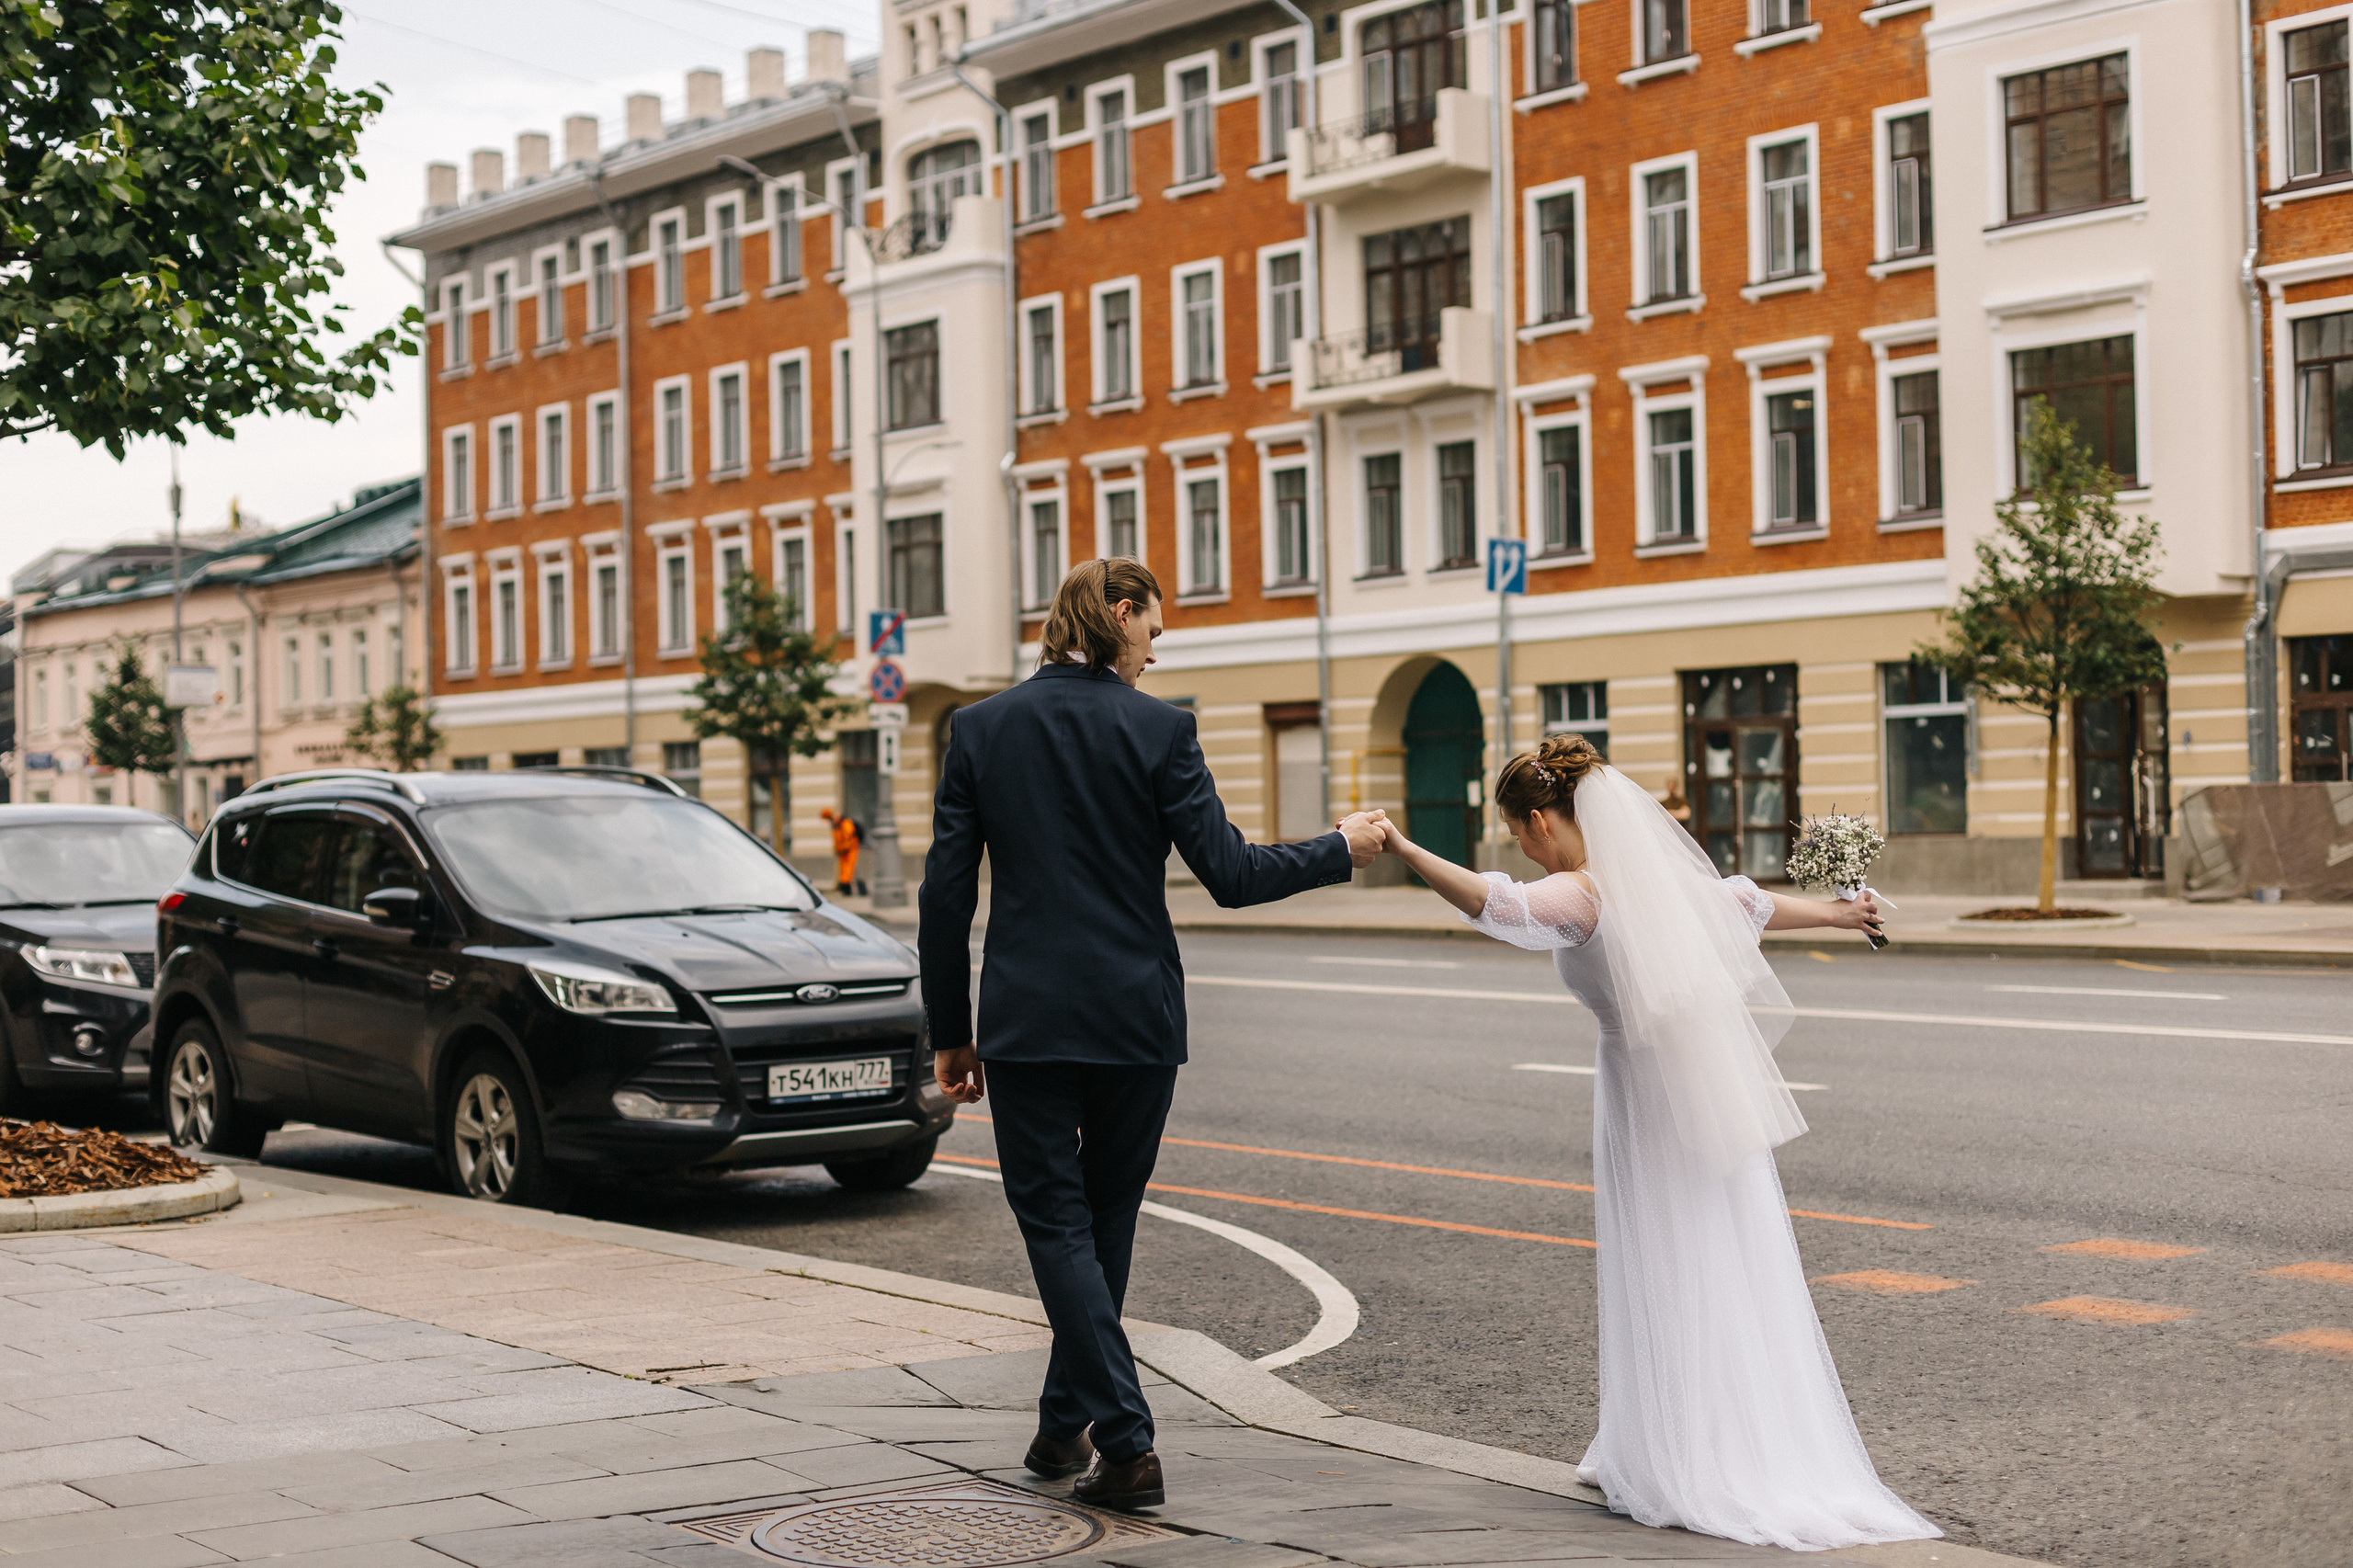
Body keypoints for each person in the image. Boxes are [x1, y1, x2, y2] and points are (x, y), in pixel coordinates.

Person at [1376, 733, 1939, 1553]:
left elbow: (1495, 904)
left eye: (1518, 833)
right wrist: (1840, 913)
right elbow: (1747, 903)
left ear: (1542, 821)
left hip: (1644, 1101)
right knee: (1712, 1255)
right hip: (1694, 1096)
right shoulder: (1658, 880)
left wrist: (1402, 847)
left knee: (1661, 1260)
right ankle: (1685, 1434)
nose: (1521, 850)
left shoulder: (1583, 894)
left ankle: (1682, 1452)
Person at [919, 558, 1388, 1513]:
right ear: (1121, 612)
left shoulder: (980, 728)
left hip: (1026, 1021)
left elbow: (944, 896)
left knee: (1059, 1225)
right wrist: (1339, 846)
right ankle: (1090, 1432)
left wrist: (951, 1029)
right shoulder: (1160, 728)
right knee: (1105, 1220)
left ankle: (1098, 1431)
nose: (1155, 652)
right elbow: (1231, 874)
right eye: (1153, 632)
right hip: (1136, 1017)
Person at [820, 807, 863, 897]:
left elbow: (848, 837)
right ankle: (847, 888)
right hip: (843, 851)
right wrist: (838, 849)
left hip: (849, 850)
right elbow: (837, 839)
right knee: (845, 869)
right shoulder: (837, 826)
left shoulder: (845, 824)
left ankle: (847, 888)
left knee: (848, 869)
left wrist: (843, 848)